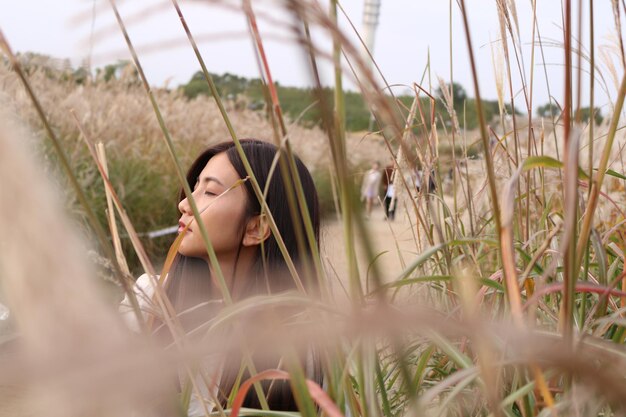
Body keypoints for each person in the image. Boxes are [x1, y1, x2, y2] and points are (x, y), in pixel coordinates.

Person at [121, 139, 321, 414]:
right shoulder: (149, 300)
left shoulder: (300, 340)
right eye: (193, 188)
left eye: (210, 192)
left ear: (257, 227)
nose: (184, 204)